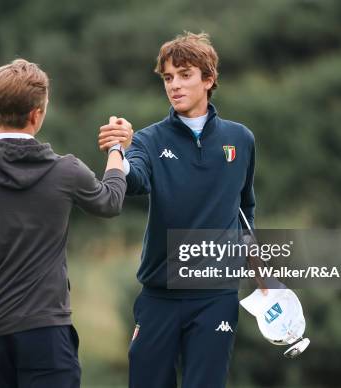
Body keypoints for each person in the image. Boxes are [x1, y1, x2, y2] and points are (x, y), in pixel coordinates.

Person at [0, 58, 128, 388]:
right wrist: (116, 149)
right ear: (38, 113)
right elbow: (110, 201)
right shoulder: (67, 171)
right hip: (46, 329)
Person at [99, 32, 258, 388]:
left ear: (209, 78)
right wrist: (119, 152)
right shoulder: (148, 139)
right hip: (159, 294)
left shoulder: (241, 139)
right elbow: (135, 180)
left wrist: (256, 268)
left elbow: (245, 207)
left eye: (185, 74)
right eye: (169, 77)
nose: (175, 85)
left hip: (217, 296)